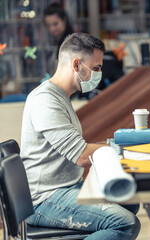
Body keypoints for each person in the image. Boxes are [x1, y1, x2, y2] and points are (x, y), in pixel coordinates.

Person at [20, 33, 140, 240]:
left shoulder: (60, 96)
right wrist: (122, 150)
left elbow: (80, 147)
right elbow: (82, 156)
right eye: (96, 68)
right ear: (76, 64)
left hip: (66, 188)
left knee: (130, 201)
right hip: (45, 199)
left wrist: (121, 144)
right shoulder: (45, 100)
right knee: (124, 223)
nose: (99, 74)